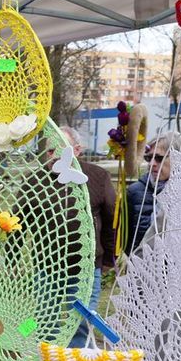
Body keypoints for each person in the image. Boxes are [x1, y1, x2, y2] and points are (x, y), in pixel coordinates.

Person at [56, 127, 117, 348]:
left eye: (61, 147)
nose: (54, 154)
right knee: (42, 319)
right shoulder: (38, 179)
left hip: (86, 268)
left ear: (78, 150)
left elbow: (111, 220)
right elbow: (20, 218)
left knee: (81, 320)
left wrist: (109, 258)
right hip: (47, 269)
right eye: (50, 149)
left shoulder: (97, 176)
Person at [125, 134, 175, 250]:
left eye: (159, 158)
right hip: (141, 262)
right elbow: (127, 238)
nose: (152, 164)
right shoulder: (135, 192)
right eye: (148, 158)